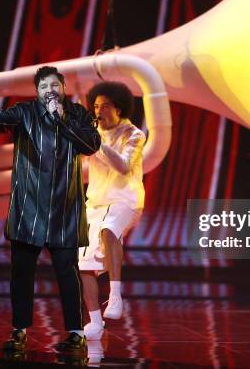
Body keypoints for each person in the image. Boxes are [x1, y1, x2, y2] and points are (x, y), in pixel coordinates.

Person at [0, 66, 101, 354]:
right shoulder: (25, 112)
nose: (49, 91)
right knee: (21, 274)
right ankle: (19, 330)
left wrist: (62, 120)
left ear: (63, 87)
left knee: (68, 273)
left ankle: (76, 332)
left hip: (64, 211)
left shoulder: (78, 114)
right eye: (43, 87)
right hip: (29, 210)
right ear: (37, 91)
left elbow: (91, 145)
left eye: (54, 85)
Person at [78, 81, 145, 340]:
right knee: (83, 265)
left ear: (118, 108)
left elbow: (123, 166)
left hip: (125, 200)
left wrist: (97, 143)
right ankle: (95, 322)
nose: (99, 111)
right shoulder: (92, 131)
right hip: (95, 202)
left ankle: (115, 297)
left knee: (109, 229)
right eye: (95, 106)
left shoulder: (134, 134)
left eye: (104, 106)